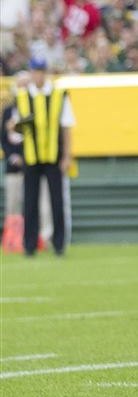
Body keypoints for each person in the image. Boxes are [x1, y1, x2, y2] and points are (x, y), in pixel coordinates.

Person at [8, 57, 74, 257]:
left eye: (41, 71)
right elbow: (17, 132)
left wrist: (68, 156)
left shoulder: (58, 95)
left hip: (54, 157)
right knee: (30, 202)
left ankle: (59, 244)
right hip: (31, 157)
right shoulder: (22, 97)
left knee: (56, 201)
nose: (38, 75)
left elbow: (67, 127)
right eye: (35, 71)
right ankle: (29, 245)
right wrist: (13, 127)